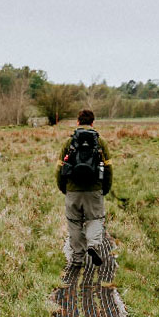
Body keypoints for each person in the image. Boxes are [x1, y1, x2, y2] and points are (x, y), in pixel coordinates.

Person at [56, 108, 112, 269]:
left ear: (78, 122)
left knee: (74, 223)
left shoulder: (69, 142)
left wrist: (64, 188)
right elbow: (108, 169)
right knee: (95, 218)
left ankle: (77, 259)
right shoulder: (100, 142)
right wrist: (104, 189)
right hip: (94, 190)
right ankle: (93, 245)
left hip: (73, 190)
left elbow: (59, 170)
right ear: (93, 123)